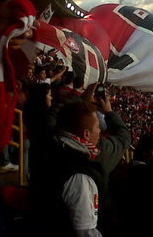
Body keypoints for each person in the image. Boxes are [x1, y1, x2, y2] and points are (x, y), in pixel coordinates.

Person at [30, 83, 130, 237]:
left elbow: (51, 116)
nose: (100, 131)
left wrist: (80, 100)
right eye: (97, 127)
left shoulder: (46, 144)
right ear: (86, 135)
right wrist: (108, 111)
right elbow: (85, 232)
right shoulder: (82, 175)